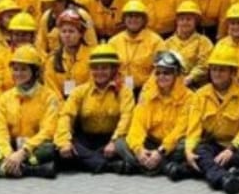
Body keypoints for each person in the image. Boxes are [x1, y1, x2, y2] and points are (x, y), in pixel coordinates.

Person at [182, 42, 239, 194]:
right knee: (199, 151)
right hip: (214, 145)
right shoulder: (200, 95)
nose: (216, 73)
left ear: (232, 72)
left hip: (237, 146)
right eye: (214, 69)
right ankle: (225, 178)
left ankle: (211, 171)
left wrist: (231, 149)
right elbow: (194, 128)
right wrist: (189, 151)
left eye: (222, 70)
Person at [0, 45, 60, 179]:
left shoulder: (49, 97)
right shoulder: (5, 97)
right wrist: (9, 154)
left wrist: (23, 152)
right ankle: (31, 170)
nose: (18, 74)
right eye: (15, 69)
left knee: (51, 149)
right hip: (10, 147)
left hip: (34, 148)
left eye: (23, 69)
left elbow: (48, 131)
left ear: (35, 71)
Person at [55, 44, 134, 173]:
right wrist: (64, 141)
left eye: (104, 68)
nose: (99, 72)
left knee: (122, 146)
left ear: (113, 69)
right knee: (63, 148)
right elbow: (66, 115)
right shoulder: (79, 91)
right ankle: (107, 165)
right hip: (86, 139)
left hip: (111, 138)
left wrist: (114, 142)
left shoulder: (124, 92)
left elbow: (127, 118)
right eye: (95, 68)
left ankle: (87, 162)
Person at [118, 51, 190, 177]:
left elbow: (180, 130)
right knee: (119, 143)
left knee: (188, 145)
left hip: (171, 146)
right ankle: (162, 166)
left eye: (166, 73)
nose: (161, 76)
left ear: (177, 74)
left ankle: (143, 166)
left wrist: (160, 152)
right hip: (151, 142)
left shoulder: (190, 98)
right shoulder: (147, 96)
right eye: (158, 73)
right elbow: (138, 126)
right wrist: (139, 150)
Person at [108, 0, 164, 94]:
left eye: (137, 16)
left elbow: (160, 69)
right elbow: (109, 68)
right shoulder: (113, 42)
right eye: (130, 16)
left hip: (148, 90)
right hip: (119, 89)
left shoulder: (156, 41)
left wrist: (148, 89)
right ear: (124, 19)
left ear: (144, 20)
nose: (133, 19)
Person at [164, 0, 214, 88]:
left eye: (189, 19)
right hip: (172, 86)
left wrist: (190, 78)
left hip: (197, 87)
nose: (185, 22)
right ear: (177, 21)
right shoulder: (167, 43)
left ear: (196, 22)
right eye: (182, 19)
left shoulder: (204, 42)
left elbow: (204, 65)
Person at [44, 10, 93, 98]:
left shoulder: (92, 56)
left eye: (71, 31)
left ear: (81, 34)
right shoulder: (52, 60)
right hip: (61, 107)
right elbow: (51, 90)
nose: (67, 35)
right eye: (64, 31)